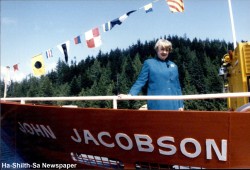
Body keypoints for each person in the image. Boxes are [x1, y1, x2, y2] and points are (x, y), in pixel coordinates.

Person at [127, 39, 184, 110]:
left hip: (174, 105)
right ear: (157, 49)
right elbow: (140, 81)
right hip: (157, 104)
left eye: (167, 50)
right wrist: (131, 94)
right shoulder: (149, 63)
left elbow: (177, 87)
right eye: (162, 49)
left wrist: (181, 105)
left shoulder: (174, 66)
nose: (164, 52)